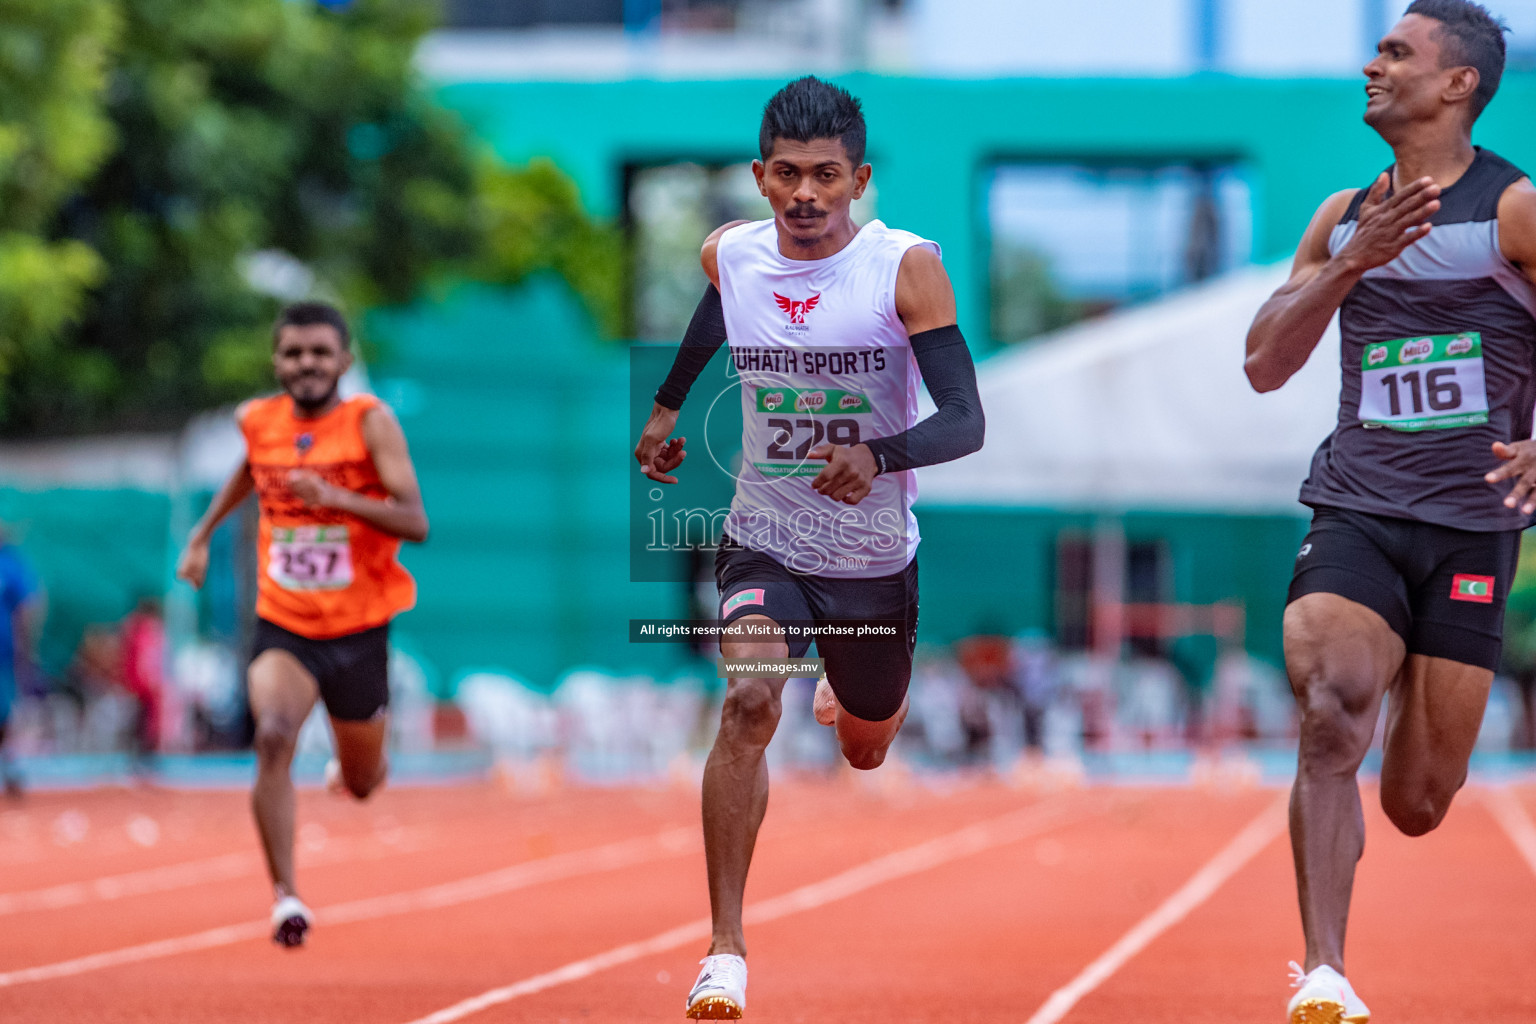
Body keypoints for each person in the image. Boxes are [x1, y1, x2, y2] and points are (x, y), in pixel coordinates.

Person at [633, 76, 984, 1019]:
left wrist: (878, 454)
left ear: (859, 178)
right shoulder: (732, 255)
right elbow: (720, 305)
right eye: (786, 175)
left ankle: (854, 690)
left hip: (872, 562)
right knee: (749, 701)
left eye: (826, 176)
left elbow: (965, 422)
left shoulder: (902, 268)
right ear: (758, 175)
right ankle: (724, 952)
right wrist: (668, 407)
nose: (805, 196)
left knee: (866, 747)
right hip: (766, 540)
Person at [1244, 4, 1536, 1021]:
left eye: (1398, 53)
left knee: (1416, 802)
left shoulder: (1515, 211)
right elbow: (1264, 364)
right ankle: (1325, 972)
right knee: (1331, 707)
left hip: (1471, 524)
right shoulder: (1339, 214)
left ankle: (1416, 665)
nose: (1372, 65)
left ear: (1458, 84)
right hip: (1358, 503)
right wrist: (1350, 259)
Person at [177, 301, 428, 947]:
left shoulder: (370, 424)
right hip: (285, 620)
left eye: (319, 352)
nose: (306, 364)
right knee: (273, 735)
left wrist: (338, 498)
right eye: (293, 353)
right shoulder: (258, 421)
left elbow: (415, 522)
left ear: (343, 360)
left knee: (364, 783)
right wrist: (203, 535)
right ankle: (286, 897)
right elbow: (250, 473)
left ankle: (354, 769)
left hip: (359, 625)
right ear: (277, 362)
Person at [0, 528, 42, 797]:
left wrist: (26, 647)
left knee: (3, 712)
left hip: (3, 651)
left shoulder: (11, 563)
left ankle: (10, 764)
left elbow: (29, 605)